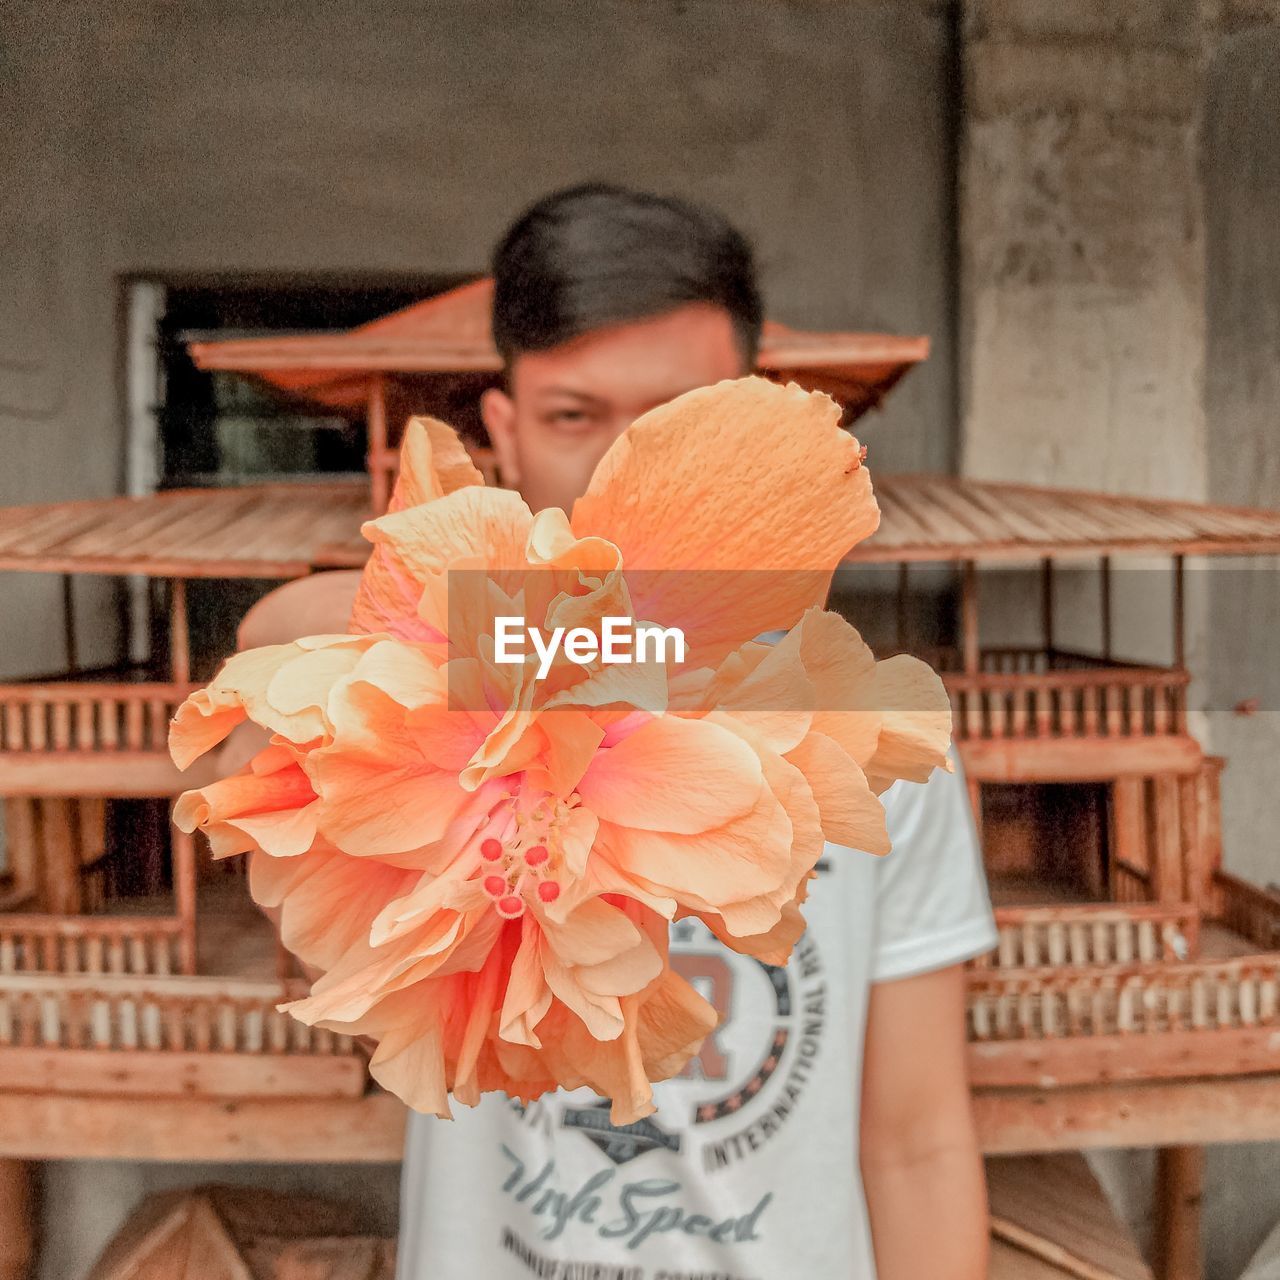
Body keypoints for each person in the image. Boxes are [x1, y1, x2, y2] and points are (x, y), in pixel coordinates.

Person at [237, 184, 999, 1280]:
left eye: (672, 422)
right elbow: (273, 638)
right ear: (504, 432)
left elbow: (918, 1141)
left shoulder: (866, 736)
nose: (620, 468)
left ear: (743, 424)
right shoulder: (425, 680)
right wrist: (548, 643)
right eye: (572, 416)